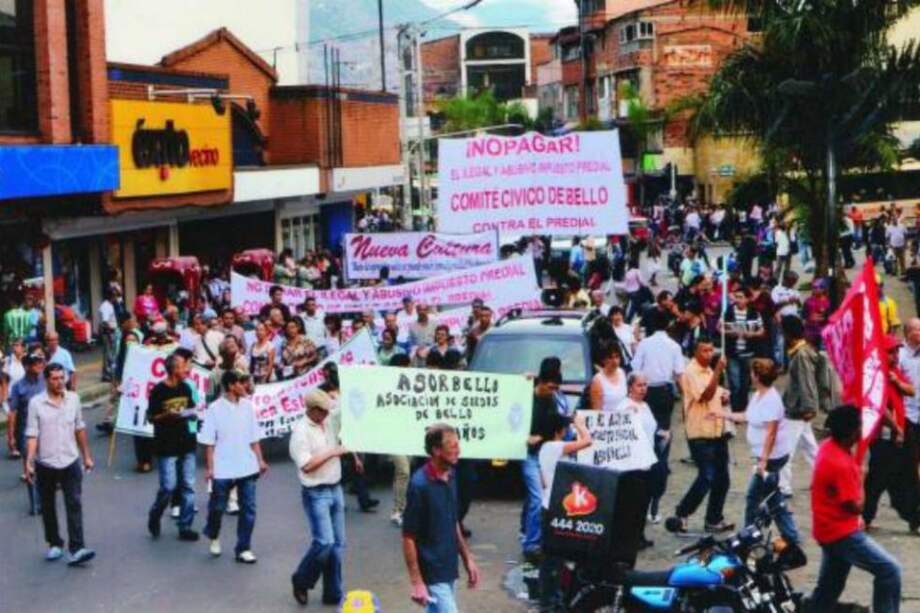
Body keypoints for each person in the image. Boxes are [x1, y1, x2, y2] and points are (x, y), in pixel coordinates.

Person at [806, 405, 902, 613]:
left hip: (826, 528)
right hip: (841, 533)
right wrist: (862, 478)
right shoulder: (839, 464)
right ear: (851, 432)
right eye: (860, 426)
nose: (863, 429)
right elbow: (857, 507)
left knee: (829, 587)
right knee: (889, 570)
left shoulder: (828, 448)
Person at [709, 359, 799, 543]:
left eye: (752, 373)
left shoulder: (771, 400)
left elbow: (771, 433)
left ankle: (749, 534)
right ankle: (789, 534)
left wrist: (763, 461)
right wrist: (723, 414)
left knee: (753, 497)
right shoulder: (758, 396)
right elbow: (747, 416)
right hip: (766, 457)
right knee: (773, 497)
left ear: (757, 377)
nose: (750, 376)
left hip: (772, 458)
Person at [402, 423, 480, 613]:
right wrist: (417, 581)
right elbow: (408, 537)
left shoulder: (451, 475)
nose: (458, 450)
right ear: (436, 450)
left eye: (458, 445)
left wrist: (467, 558)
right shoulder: (419, 485)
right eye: (452, 446)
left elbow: (452, 521)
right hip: (432, 571)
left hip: (448, 567)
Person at [24, 363, 95, 565]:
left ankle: (77, 547)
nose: (59, 382)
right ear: (46, 380)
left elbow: (79, 428)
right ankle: (54, 543)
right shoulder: (36, 403)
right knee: (48, 505)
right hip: (45, 463)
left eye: (61, 378)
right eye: (54, 379)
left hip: (70, 460)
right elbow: (32, 434)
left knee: (74, 502)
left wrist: (86, 456)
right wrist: (29, 461)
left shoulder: (74, 399)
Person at [666, 337, 734, 534]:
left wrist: (723, 393)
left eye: (711, 350)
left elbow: (714, 391)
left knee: (723, 478)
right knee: (707, 476)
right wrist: (719, 371)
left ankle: (714, 519)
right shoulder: (690, 372)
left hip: (716, 429)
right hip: (699, 432)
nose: (709, 354)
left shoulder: (708, 370)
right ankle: (682, 513)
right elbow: (704, 395)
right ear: (695, 352)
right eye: (704, 350)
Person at [289, 389, 349, 606]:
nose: (326, 414)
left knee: (338, 545)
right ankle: (302, 579)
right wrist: (333, 452)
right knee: (324, 543)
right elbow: (306, 465)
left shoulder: (329, 419)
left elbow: (348, 411)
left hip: (335, 486)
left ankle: (333, 592)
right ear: (312, 410)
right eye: (322, 411)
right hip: (316, 491)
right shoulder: (300, 432)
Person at [200, 369, 268, 562]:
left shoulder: (248, 407)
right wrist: (211, 468)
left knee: (249, 508)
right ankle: (213, 535)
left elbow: (254, 437)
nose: (245, 386)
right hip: (223, 467)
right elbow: (209, 442)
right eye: (241, 382)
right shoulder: (214, 409)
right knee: (217, 507)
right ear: (231, 386)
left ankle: (243, 548)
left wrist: (260, 460)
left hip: (246, 466)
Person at [632, 309, 685, 523]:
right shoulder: (674, 346)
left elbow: (635, 368)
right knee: (662, 443)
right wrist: (687, 401)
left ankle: (648, 503)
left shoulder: (645, 344)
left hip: (647, 394)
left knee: (645, 439)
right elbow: (679, 375)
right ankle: (653, 506)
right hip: (664, 394)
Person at [863, 334, 920, 533]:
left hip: (901, 433)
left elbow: (911, 390)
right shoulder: (874, 376)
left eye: (896, 351)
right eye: (890, 352)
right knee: (877, 481)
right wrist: (896, 428)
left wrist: (897, 381)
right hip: (884, 436)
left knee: (908, 477)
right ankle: (865, 518)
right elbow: (879, 407)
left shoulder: (893, 372)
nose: (895, 355)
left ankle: (915, 518)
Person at [537, 413, 593, 610]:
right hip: (553, 509)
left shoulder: (545, 449)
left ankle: (553, 599)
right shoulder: (553, 447)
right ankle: (548, 603)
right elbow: (587, 441)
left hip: (550, 506)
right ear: (559, 430)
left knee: (554, 559)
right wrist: (580, 425)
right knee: (553, 560)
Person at [146, 348, 200, 542]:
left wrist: (193, 413)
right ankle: (155, 513)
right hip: (166, 444)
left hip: (186, 441)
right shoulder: (159, 391)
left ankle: (185, 525)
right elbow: (151, 416)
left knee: (189, 486)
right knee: (168, 486)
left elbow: (192, 407)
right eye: (182, 366)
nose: (186, 369)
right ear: (173, 369)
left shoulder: (186, 388)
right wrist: (167, 416)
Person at [521, 359, 564, 560]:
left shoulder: (552, 401)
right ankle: (531, 544)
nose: (552, 391)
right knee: (538, 498)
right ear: (541, 383)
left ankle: (527, 532)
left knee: (534, 497)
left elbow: (554, 427)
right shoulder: (525, 394)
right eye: (550, 387)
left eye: (556, 388)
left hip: (542, 454)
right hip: (528, 455)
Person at [778, 316, 820, 498]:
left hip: (797, 409)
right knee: (811, 448)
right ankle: (824, 479)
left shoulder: (801, 355)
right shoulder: (803, 351)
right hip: (800, 407)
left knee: (785, 450)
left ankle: (783, 486)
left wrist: (809, 406)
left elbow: (806, 382)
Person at [8, 350, 46, 513]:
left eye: (40, 362)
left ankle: (45, 498)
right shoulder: (18, 387)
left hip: (45, 431)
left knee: (45, 467)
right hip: (25, 433)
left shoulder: (45, 381)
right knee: (31, 468)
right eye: (35, 362)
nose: (39, 365)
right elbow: (13, 412)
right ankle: (35, 504)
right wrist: (11, 436)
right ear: (26, 366)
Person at [722, 287, 765, 413]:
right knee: (734, 383)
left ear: (747, 299)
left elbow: (761, 330)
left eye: (741, 297)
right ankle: (735, 409)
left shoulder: (754, 313)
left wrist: (753, 334)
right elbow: (721, 328)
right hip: (732, 352)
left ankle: (743, 408)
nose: (738, 300)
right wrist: (731, 332)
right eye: (736, 297)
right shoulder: (728, 311)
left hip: (749, 352)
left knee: (745, 383)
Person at [589, 342, 627, 411]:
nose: (615, 361)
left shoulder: (622, 372)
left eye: (617, 356)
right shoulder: (598, 381)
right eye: (610, 358)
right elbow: (597, 411)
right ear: (603, 360)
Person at [99, 289, 119, 382]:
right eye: (115, 296)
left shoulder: (110, 305)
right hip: (108, 332)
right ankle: (106, 374)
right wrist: (110, 333)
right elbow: (105, 321)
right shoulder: (106, 306)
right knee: (108, 354)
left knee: (111, 353)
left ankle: (109, 372)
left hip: (111, 331)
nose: (116, 298)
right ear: (111, 296)